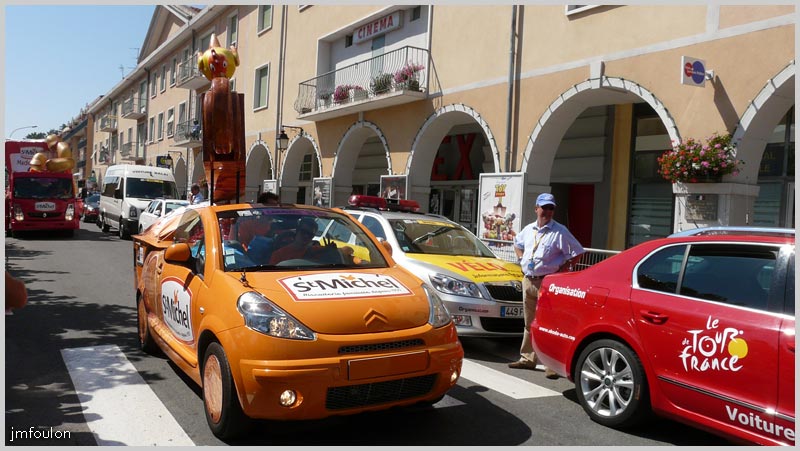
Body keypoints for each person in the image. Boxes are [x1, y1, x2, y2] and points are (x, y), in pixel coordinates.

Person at [508, 193, 584, 379]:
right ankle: (527, 358)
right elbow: (517, 243)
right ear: (536, 209)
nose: (548, 211)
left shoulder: (560, 231)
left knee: (549, 324)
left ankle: (551, 364)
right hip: (528, 280)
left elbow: (577, 252)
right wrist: (520, 258)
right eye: (545, 207)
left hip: (547, 282)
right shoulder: (528, 229)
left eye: (551, 208)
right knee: (529, 322)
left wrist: (562, 271)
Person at [268, 217, 336, 265]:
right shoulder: (278, 255)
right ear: (297, 231)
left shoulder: (317, 250)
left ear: (313, 237)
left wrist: (332, 250)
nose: (306, 236)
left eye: (310, 234)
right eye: (304, 232)